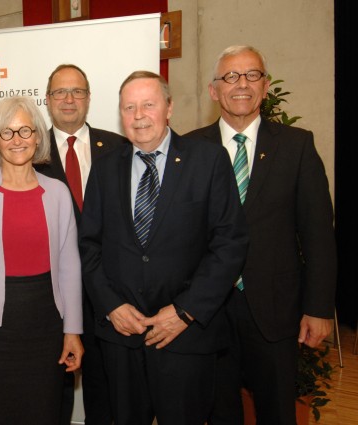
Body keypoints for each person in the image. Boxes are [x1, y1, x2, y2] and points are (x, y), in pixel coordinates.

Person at [79, 71, 248, 425]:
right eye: (129, 107)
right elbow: (88, 245)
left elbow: (229, 244)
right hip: (122, 336)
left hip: (186, 335)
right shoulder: (105, 168)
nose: (138, 115)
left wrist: (185, 311)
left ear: (169, 108)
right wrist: (110, 305)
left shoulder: (208, 160)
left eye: (148, 105)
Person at [186, 45, 337, 425]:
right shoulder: (188, 149)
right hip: (208, 312)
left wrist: (318, 309)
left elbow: (318, 234)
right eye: (230, 77)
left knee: (277, 413)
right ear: (213, 90)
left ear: (266, 86)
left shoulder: (297, 146)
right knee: (219, 413)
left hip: (275, 311)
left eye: (252, 75)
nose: (242, 84)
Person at [0, 96, 84, 424]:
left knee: (42, 412)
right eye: (6, 133)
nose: (17, 140)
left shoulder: (57, 193)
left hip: (46, 326)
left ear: (38, 136)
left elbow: (69, 267)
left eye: (25, 130)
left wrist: (73, 331)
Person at [36, 64, 127, 425]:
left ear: (89, 98)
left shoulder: (119, 147)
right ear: (47, 100)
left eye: (77, 91)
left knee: (106, 389)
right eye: (60, 92)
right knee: (53, 389)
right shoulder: (30, 151)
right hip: (53, 294)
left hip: (110, 291)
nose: (69, 99)